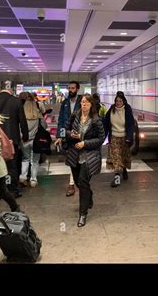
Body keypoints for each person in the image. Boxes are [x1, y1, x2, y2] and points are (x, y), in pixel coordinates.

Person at [65, 94, 105, 227]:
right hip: (75, 154)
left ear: (91, 105)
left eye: (87, 103)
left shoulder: (96, 120)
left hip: (89, 155)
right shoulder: (74, 116)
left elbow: (101, 139)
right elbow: (66, 130)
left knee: (82, 181)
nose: (84, 104)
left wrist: (85, 143)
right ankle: (89, 195)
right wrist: (71, 134)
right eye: (82, 102)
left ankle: (83, 215)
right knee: (79, 183)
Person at [0, 83, 29, 198]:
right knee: (12, 166)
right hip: (12, 139)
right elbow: (22, 121)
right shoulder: (16, 101)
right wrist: (25, 136)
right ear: (10, 91)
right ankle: (13, 190)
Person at [54, 81, 82, 196]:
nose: (71, 90)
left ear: (77, 89)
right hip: (69, 137)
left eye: (73, 88)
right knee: (72, 161)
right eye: (69, 88)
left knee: (81, 161)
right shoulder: (65, 103)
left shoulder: (83, 102)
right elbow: (61, 120)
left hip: (80, 136)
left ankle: (81, 183)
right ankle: (72, 184)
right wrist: (60, 136)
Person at [104, 93, 135, 187]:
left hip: (125, 138)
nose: (118, 103)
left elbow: (131, 125)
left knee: (123, 157)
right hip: (114, 137)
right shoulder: (111, 110)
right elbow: (106, 123)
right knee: (116, 159)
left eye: (120, 101)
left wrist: (129, 138)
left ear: (123, 101)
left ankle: (124, 170)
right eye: (117, 101)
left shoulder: (127, 110)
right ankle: (117, 179)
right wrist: (103, 137)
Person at [19, 95, 43, 188]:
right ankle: (33, 180)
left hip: (24, 140)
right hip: (36, 141)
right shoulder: (38, 115)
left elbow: (19, 128)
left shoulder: (22, 116)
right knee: (35, 161)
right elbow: (44, 126)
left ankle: (23, 177)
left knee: (25, 159)